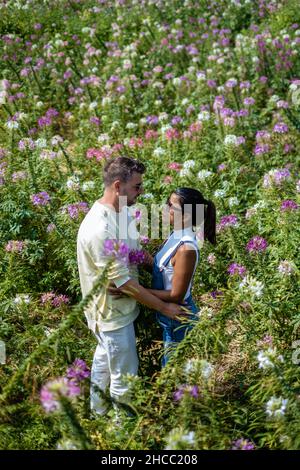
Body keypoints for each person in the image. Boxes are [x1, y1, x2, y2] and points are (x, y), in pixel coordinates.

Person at [77, 156, 185, 416]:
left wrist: (158, 268)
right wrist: (165, 307)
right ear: (118, 185)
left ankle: (98, 416)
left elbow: (134, 253)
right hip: (110, 315)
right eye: (137, 186)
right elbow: (124, 283)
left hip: (119, 310)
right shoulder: (100, 228)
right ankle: (121, 436)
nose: (141, 191)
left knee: (104, 363)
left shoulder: (121, 210)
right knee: (125, 377)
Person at [149, 188, 216, 366]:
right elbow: (164, 271)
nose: (165, 208)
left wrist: (135, 290)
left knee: (175, 378)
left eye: (171, 205)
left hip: (180, 321)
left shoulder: (187, 248)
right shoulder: (174, 236)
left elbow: (176, 295)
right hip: (170, 320)